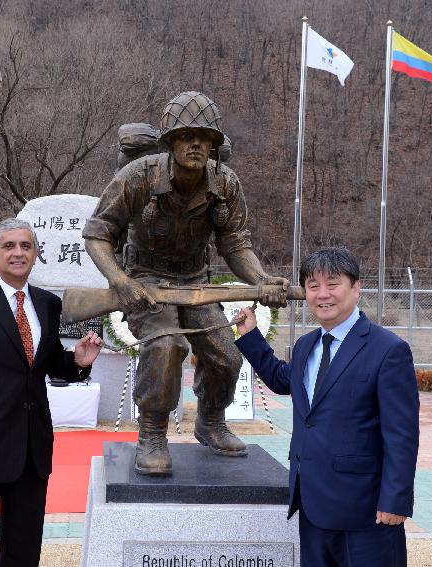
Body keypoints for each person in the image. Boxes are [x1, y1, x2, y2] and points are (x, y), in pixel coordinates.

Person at [83, 91, 288, 475]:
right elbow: (98, 234)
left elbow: (235, 243)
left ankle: (210, 420)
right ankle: (153, 432)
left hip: (195, 281)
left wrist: (261, 279)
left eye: (204, 137)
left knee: (226, 356)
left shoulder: (225, 184)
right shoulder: (137, 177)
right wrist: (120, 280)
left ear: (214, 145)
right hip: (145, 281)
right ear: (170, 142)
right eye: (185, 136)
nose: (195, 143)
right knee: (165, 347)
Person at [235, 247, 419, 567]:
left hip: (364, 511)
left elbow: (401, 435)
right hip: (312, 504)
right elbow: (283, 381)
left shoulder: (388, 350)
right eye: (312, 285)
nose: (322, 294)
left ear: (356, 288)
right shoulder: (307, 345)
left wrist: (396, 500)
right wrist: (250, 336)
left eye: (332, 284)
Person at [0, 218, 102, 567]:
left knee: (24, 552)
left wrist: (78, 362)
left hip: (31, 451)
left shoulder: (46, 305)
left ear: (36, 254)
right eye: (9, 246)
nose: (18, 253)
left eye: (26, 246)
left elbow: (45, 361)